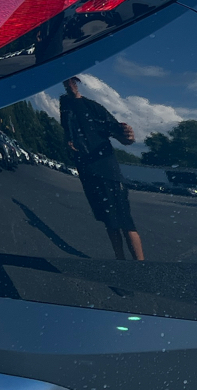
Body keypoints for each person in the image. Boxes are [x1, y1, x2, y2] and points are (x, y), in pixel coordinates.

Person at [58, 77, 145, 261]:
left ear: (78, 82)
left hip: (108, 171)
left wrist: (129, 136)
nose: (69, 84)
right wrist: (68, 142)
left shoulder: (93, 107)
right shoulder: (64, 105)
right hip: (88, 172)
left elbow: (122, 136)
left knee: (125, 222)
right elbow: (67, 131)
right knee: (109, 222)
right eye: (66, 81)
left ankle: (141, 268)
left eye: (73, 81)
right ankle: (120, 263)